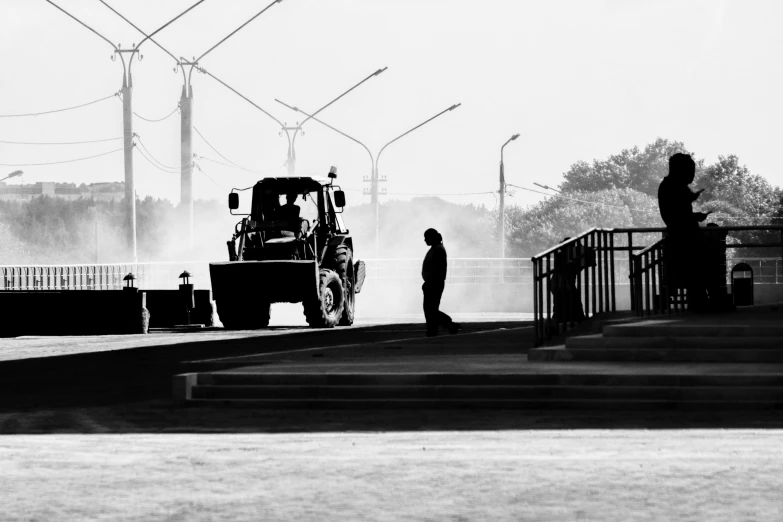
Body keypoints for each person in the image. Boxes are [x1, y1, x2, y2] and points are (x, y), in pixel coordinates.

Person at [657, 153, 711, 308]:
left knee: (694, 271)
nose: (692, 175)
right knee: (695, 270)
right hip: (684, 237)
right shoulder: (674, 187)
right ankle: (699, 302)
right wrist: (694, 217)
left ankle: (698, 300)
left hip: (681, 234)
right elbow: (678, 214)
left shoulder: (669, 186)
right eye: (690, 170)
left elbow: (677, 213)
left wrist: (693, 216)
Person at [421, 228, 460, 337]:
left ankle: (443, 326)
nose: (425, 240)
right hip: (432, 283)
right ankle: (435, 328)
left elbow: (435, 269)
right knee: (430, 309)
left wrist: (430, 282)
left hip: (434, 283)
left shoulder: (438, 250)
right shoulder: (436, 248)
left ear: (432, 237)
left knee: (430, 310)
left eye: (426, 237)